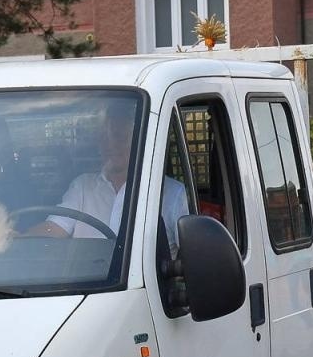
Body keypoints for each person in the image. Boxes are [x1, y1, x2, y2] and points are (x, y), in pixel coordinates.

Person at [25, 105, 190, 251]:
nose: (110, 145)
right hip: (88, 284)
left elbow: (193, 255)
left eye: (119, 137)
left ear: (139, 141)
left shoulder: (171, 193)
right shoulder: (83, 186)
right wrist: (14, 239)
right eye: (104, 138)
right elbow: (54, 228)